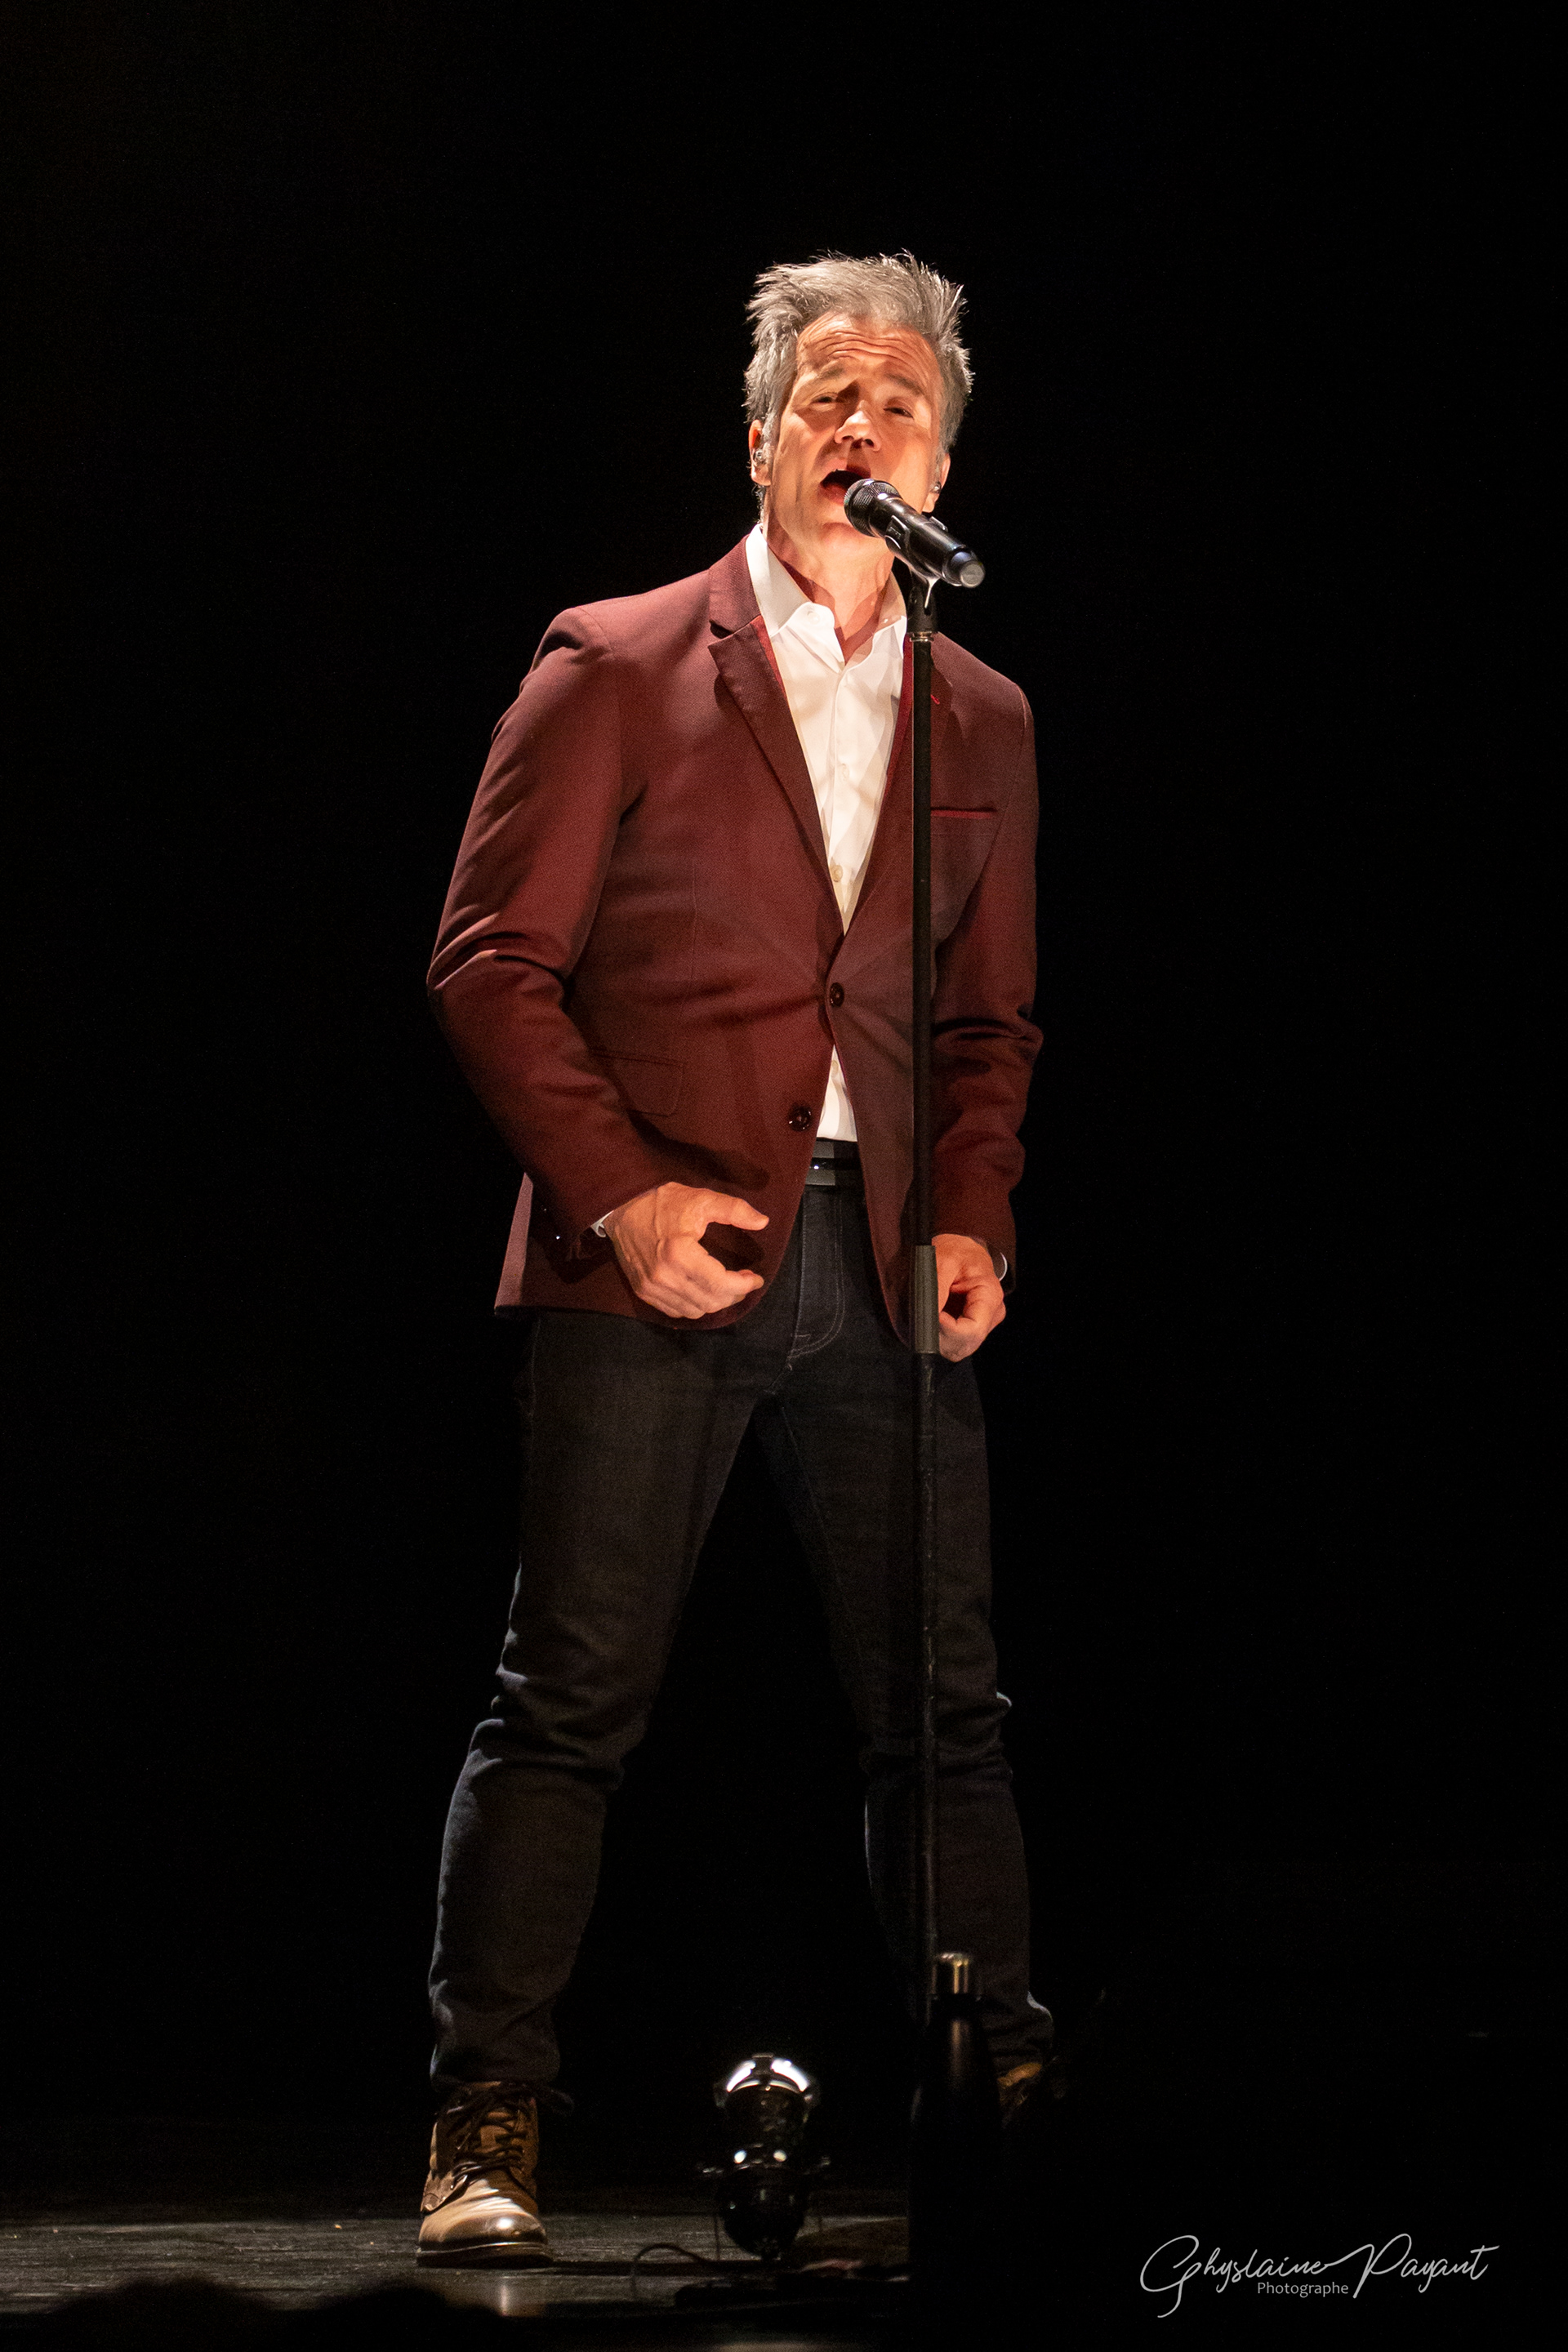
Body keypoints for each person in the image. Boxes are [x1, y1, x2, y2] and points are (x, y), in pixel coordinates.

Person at [416, 253, 1052, 2266]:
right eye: (829, 399)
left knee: (943, 1712)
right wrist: (618, 1193)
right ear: (766, 439)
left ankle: (999, 2109)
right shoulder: (617, 662)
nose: (866, 428)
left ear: (942, 467)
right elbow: (490, 965)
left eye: (902, 406)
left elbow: (986, 1022)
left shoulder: (981, 710)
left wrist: (974, 1208)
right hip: (661, 1253)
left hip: (885, 1267)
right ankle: (484, 2117)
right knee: (571, 1697)